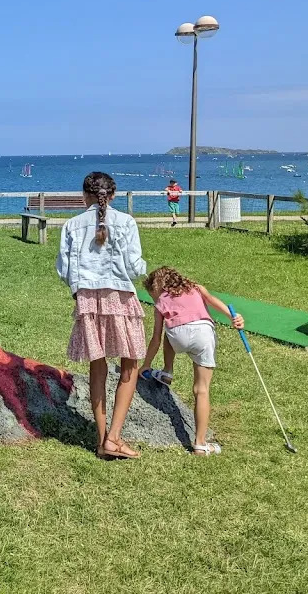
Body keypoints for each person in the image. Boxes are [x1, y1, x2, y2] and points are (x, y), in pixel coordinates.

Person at [57, 172, 148, 459]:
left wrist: (79, 288)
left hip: (88, 298)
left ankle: (101, 439)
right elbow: (134, 267)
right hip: (120, 295)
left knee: (97, 366)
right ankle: (114, 437)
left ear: (84, 195)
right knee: (130, 364)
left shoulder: (72, 225)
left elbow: (64, 269)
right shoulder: (126, 222)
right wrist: (144, 267)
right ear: (113, 195)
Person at [140, 267, 244, 456]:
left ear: (157, 287)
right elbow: (213, 301)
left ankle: (167, 371)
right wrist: (233, 317)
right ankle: (200, 444)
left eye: (151, 294)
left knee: (168, 332)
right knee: (201, 390)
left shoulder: (161, 303)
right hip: (204, 333)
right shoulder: (196, 288)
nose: (153, 298)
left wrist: (146, 365)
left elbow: (156, 339)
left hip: (177, 336)